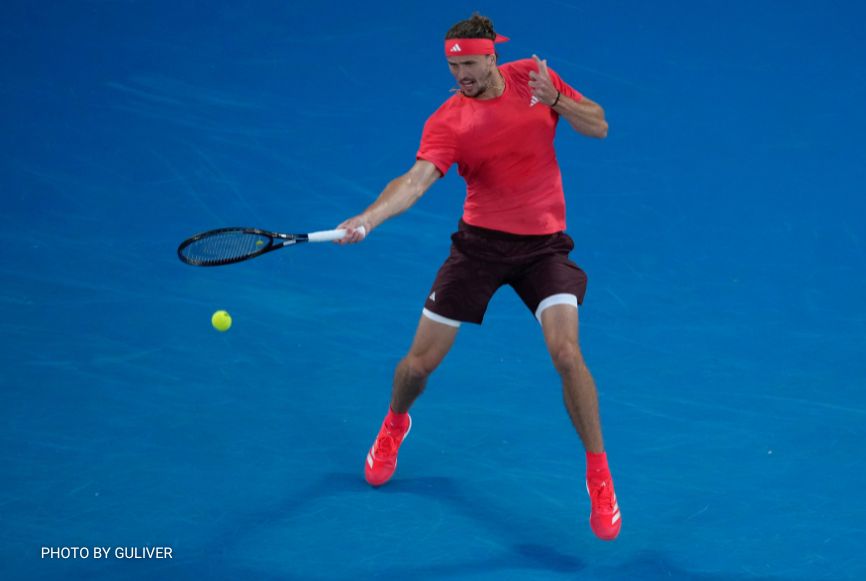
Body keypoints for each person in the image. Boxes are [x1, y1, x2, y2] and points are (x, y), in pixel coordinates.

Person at [336, 13, 620, 541]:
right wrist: (369, 218)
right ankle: (396, 423)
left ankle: (599, 474)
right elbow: (416, 180)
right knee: (418, 366)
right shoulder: (448, 121)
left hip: (544, 249)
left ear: (492, 57)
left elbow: (598, 124)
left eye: (469, 63)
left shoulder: (533, 80)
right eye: (453, 65)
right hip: (479, 249)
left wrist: (556, 99)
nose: (461, 73)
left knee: (567, 353)